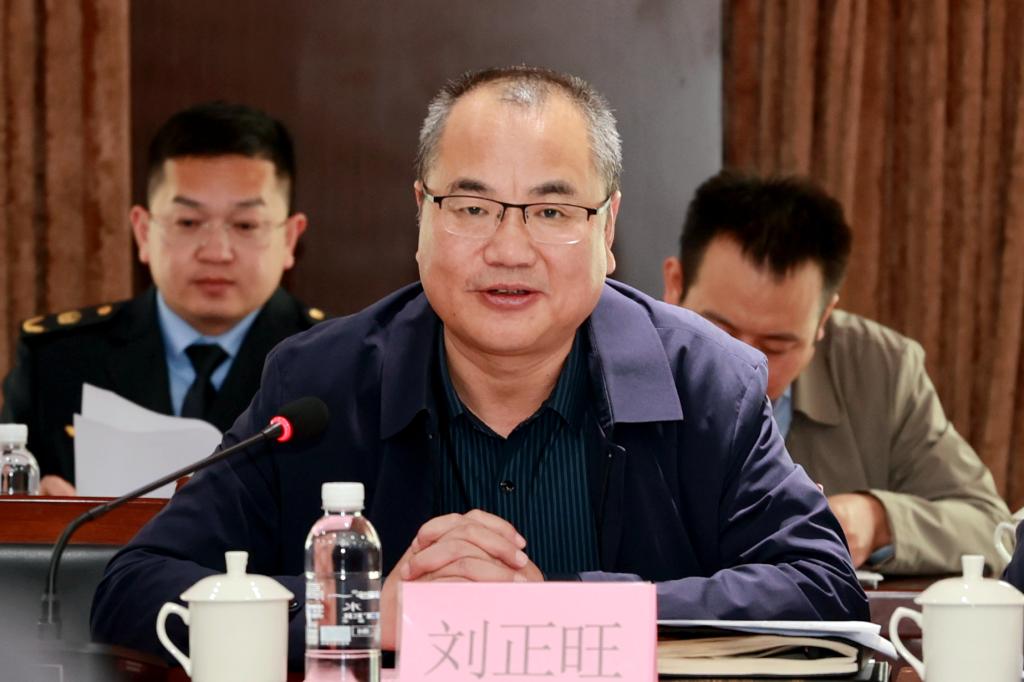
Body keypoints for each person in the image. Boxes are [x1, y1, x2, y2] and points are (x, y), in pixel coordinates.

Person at [91, 67, 867, 668]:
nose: (509, 249)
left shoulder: (706, 383)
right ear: (422, 216)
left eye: (552, 211)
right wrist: (361, 610)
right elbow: (135, 586)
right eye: (471, 207)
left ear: (608, 230)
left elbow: (823, 589)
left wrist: (562, 616)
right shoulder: (319, 385)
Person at [663, 171, 1011, 573]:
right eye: (719, 332)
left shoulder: (880, 370)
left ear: (823, 319)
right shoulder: (610, 357)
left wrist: (877, 520)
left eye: (776, 346)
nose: (745, 363)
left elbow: (991, 526)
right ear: (675, 285)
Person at [0, 102, 324, 496]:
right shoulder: (58, 359)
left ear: (290, 238)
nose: (216, 252)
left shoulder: (333, 362)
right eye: (188, 222)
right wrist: (34, 514)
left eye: (245, 224)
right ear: (142, 231)